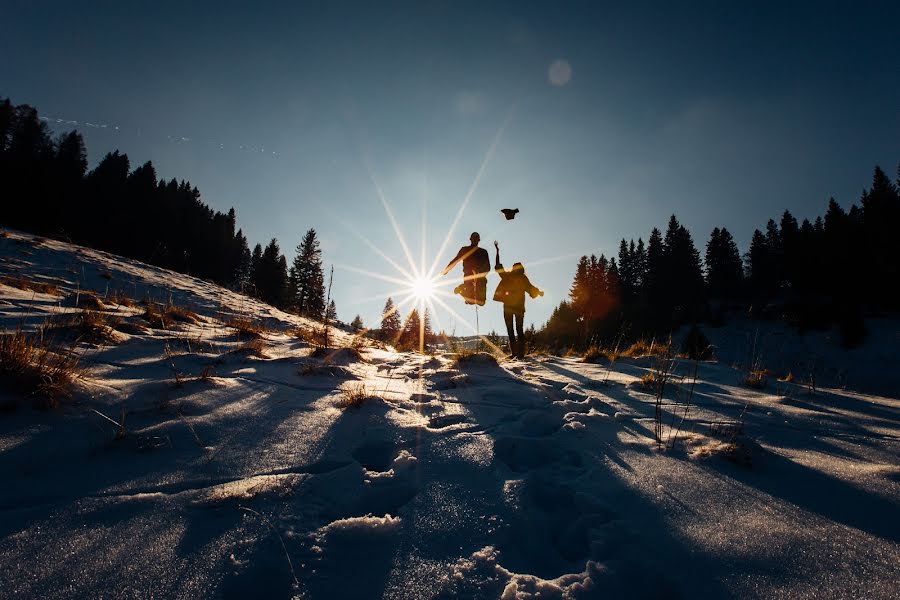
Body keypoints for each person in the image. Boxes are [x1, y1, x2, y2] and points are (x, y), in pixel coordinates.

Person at [493, 240, 543, 359]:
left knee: (511, 330)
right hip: (518, 307)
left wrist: (497, 252)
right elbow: (531, 289)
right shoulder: (522, 278)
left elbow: (498, 267)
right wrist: (539, 292)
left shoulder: (509, 276)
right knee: (517, 329)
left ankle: (517, 353)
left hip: (509, 307)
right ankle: (519, 354)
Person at [440, 232, 491, 306]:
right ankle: (461, 288)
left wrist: (480, 272)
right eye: (474, 238)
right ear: (470, 239)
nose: (475, 240)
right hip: (469, 276)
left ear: (478, 240)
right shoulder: (465, 250)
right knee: (471, 301)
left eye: (476, 239)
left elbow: (488, 267)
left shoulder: (483, 252)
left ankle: (463, 289)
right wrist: (446, 269)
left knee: (481, 303)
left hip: (481, 278)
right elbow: (455, 260)